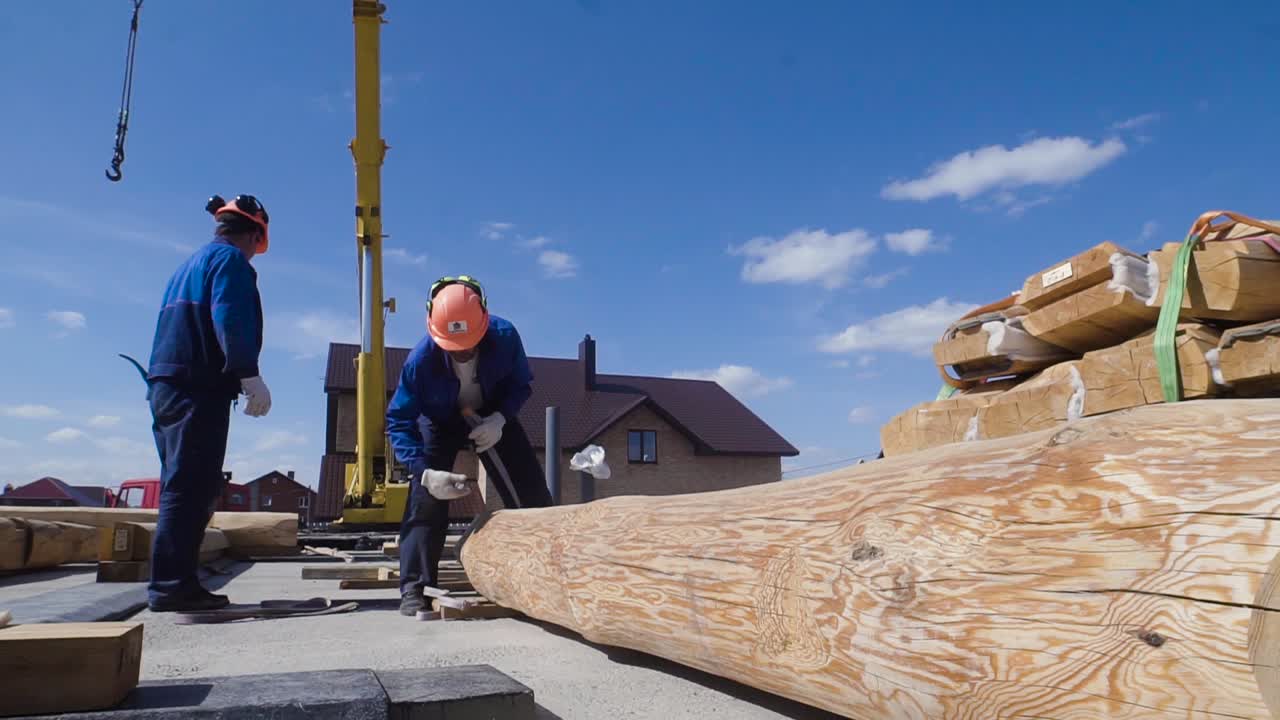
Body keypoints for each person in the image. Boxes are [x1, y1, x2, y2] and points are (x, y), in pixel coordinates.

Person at [387, 275, 552, 616]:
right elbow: (398, 421)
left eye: (470, 344)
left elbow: (521, 384)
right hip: (439, 420)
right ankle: (415, 587)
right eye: (453, 347)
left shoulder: (505, 337)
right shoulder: (419, 361)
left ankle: (549, 570)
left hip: (492, 413)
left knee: (530, 490)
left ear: (485, 323)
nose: (462, 352)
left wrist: (500, 420)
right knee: (424, 503)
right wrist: (423, 471)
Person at [144, 194, 272, 612]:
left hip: (168, 384)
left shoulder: (188, 266)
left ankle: (174, 582)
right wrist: (246, 372)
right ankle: (172, 588)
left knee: (180, 483)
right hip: (197, 386)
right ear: (255, 234)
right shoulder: (231, 263)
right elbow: (230, 315)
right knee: (193, 487)